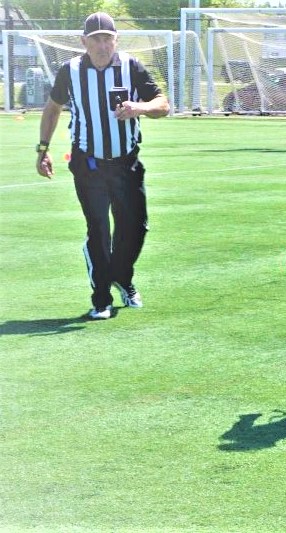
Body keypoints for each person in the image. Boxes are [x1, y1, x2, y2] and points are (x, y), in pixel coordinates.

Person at [36, 12, 170, 320]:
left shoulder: (131, 67)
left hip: (126, 162)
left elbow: (162, 104)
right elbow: (53, 108)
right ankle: (101, 299)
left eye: (107, 38)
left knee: (135, 227)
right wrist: (43, 149)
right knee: (98, 230)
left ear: (116, 40)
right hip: (88, 163)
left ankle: (122, 277)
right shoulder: (70, 71)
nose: (102, 45)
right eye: (96, 39)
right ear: (84, 41)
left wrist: (140, 107)